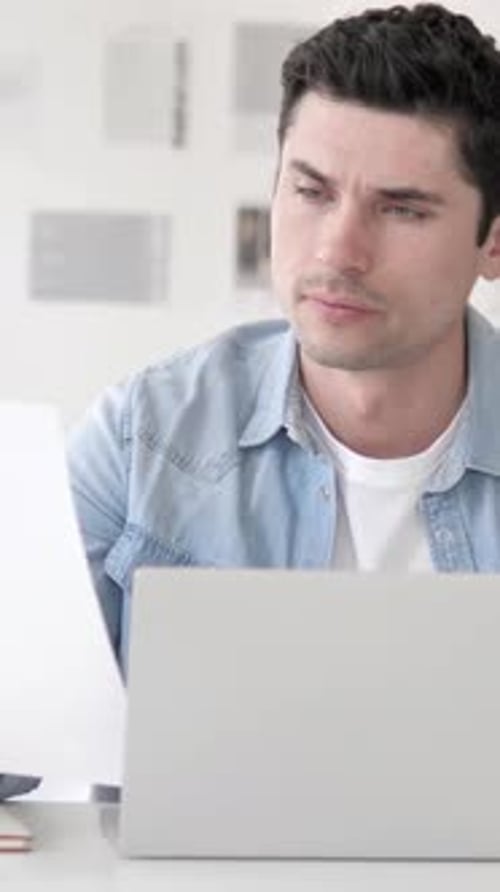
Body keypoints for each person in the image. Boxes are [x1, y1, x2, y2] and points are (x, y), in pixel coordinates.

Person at [3, 2, 500, 797]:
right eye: (310, 191)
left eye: (402, 209)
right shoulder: (143, 438)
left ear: (493, 241)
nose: (340, 250)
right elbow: (16, 718)